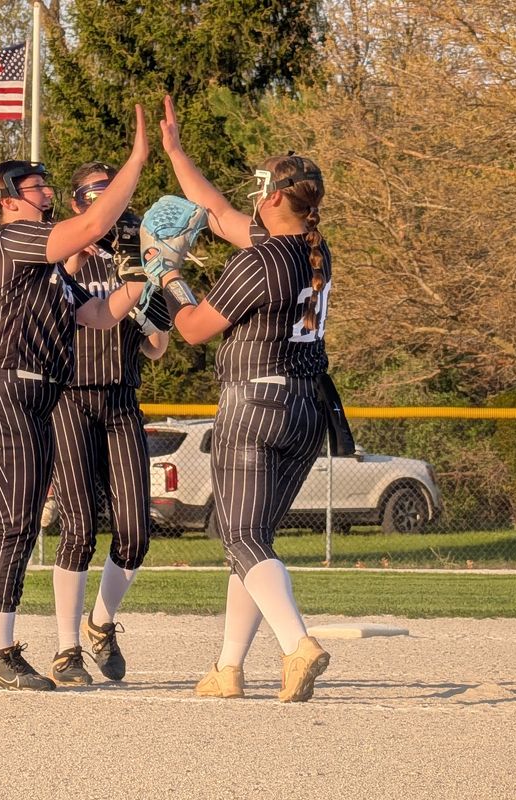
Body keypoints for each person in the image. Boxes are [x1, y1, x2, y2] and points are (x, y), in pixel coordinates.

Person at [0, 106, 149, 691]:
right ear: (10, 197)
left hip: (29, 392)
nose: (47, 193)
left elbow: (98, 313)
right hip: (2, 385)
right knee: (14, 523)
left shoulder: (45, 269)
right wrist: (135, 163)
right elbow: (87, 229)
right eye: (38, 186)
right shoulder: (11, 235)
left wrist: (140, 262)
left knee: (17, 524)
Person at [152, 95, 332, 702]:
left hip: (256, 405)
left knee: (237, 535)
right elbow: (217, 210)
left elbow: (195, 328)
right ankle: (228, 669)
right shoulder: (311, 250)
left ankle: (296, 645)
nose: (255, 195)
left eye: (264, 189)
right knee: (253, 541)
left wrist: (167, 278)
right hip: (307, 409)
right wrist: (176, 152)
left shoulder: (261, 261)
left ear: (277, 197)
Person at [49, 162, 171, 686]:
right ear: (79, 204)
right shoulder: (62, 258)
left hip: (120, 400)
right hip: (71, 400)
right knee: (78, 528)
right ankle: (66, 649)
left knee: (136, 531)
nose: (105, 203)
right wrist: (80, 249)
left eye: (111, 195)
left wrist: (157, 281)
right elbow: (54, 300)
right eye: (93, 195)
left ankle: (100, 623)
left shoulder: (134, 265)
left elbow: (158, 348)